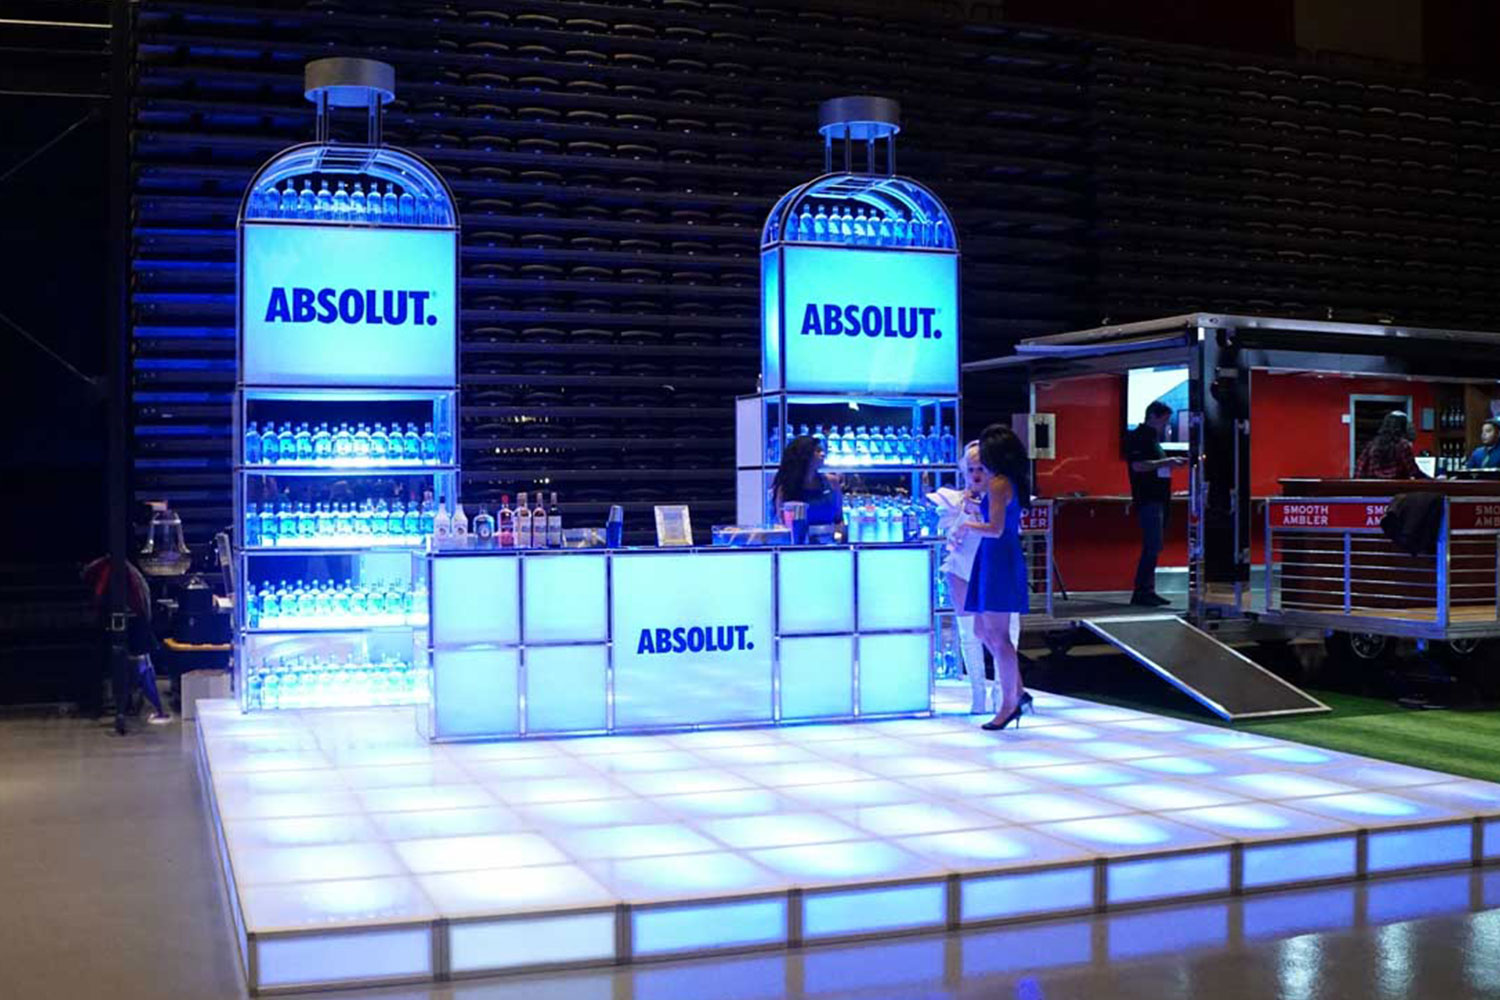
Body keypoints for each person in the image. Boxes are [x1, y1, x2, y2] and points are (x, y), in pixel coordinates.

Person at [954, 424, 1033, 731]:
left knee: (998, 637)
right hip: (993, 557)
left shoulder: (999, 483)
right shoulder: (1005, 481)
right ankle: (1018, 692)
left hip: (998, 558)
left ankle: (1009, 704)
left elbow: (996, 528)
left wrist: (966, 525)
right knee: (982, 630)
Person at [82, 505, 171, 734]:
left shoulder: (114, 569)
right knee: (141, 662)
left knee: (135, 662)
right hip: (130, 616)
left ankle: (138, 705)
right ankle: (154, 708)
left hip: (126, 615)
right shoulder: (115, 569)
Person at [936, 441, 992, 714]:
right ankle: (978, 694)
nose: (976, 474)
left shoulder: (1002, 498)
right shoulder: (954, 500)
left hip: (993, 569)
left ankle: (1002, 692)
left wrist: (981, 512)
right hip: (960, 568)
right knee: (968, 634)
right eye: (971, 469)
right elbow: (950, 538)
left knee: (1002, 634)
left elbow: (1008, 532)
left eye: (981, 468)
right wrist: (966, 512)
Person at [1125, 401, 1188, 607]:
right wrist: (1167, 462)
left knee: (1155, 545)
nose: (1166, 425)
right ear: (1152, 416)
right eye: (1164, 420)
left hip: (1160, 498)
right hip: (1148, 499)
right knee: (1152, 546)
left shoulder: (1154, 440)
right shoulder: (1137, 438)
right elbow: (1138, 465)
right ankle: (1142, 591)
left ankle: (1148, 590)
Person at [771, 434, 843, 531]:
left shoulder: (832, 482)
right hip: (797, 539)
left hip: (827, 538)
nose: (823, 454)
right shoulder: (786, 487)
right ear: (804, 455)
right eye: (817, 451)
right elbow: (782, 524)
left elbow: (839, 520)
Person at [1356, 411, 1428, 480]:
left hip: (1374, 486)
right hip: (1397, 486)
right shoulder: (1403, 445)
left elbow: (1360, 468)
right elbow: (1413, 471)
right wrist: (1430, 479)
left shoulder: (1372, 444)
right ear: (1403, 427)